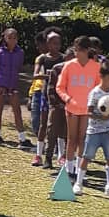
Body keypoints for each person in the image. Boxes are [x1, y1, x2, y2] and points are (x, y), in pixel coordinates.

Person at [56, 36, 101, 179]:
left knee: (83, 139)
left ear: (87, 50)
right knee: (72, 139)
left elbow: (98, 88)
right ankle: (69, 169)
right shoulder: (69, 66)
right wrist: (67, 99)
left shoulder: (95, 67)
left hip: (87, 109)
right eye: (76, 50)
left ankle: (80, 171)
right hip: (72, 108)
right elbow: (60, 87)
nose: (78, 53)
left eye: (80, 50)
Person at [76, 59, 109, 199]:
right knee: (87, 157)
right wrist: (99, 117)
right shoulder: (95, 93)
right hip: (94, 131)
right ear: (102, 76)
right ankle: (78, 183)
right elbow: (88, 111)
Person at [0, 28, 28, 147]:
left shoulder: (20, 52)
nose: (12, 40)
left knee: (17, 110)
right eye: (10, 37)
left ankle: (22, 138)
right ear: (5, 38)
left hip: (13, 84)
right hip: (1, 82)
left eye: (14, 38)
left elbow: (19, 67)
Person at [31, 31, 62, 167]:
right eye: (54, 43)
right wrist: (50, 75)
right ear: (48, 43)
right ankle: (38, 154)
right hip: (46, 94)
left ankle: (61, 155)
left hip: (60, 95)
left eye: (59, 43)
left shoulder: (64, 58)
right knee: (43, 124)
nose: (57, 46)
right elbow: (36, 75)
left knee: (61, 125)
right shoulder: (42, 58)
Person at [43, 47, 72, 170]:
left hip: (71, 106)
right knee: (52, 131)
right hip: (57, 105)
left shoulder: (77, 71)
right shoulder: (57, 68)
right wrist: (55, 104)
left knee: (69, 133)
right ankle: (48, 158)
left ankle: (67, 159)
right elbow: (51, 89)